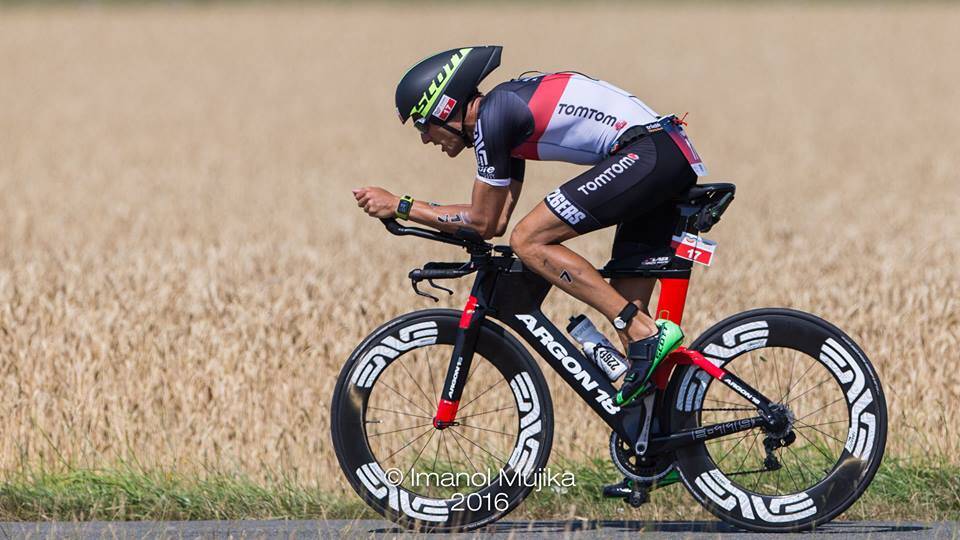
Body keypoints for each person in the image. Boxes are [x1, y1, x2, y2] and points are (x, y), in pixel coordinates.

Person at [353, 45, 706, 412]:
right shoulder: (502, 120)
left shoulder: (495, 116)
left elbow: (484, 221)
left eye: (423, 125)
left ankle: (641, 331)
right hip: (659, 154)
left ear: (445, 107)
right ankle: (662, 453)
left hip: (648, 153)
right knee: (635, 336)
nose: (425, 138)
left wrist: (402, 206)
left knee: (530, 239)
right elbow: (494, 221)